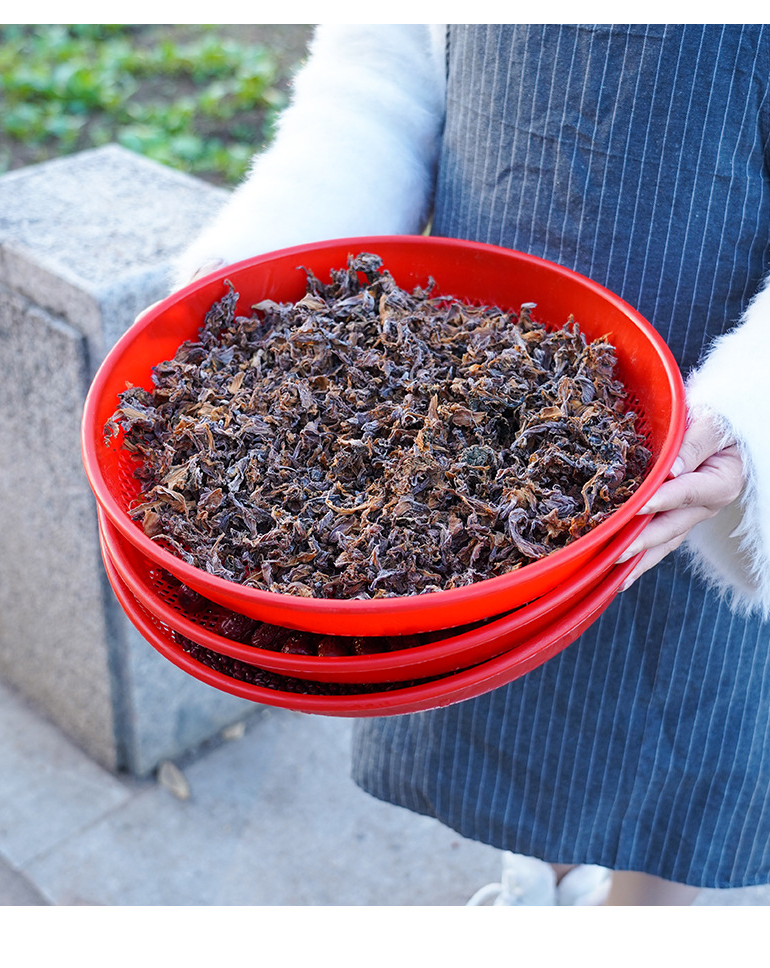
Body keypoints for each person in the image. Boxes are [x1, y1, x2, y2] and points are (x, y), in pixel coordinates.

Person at [172, 25, 770, 905]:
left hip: (704, 411)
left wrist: (749, 413)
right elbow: (382, 72)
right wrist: (249, 269)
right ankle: (545, 884)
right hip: (464, 353)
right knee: (501, 679)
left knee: (677, 721)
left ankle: (644, 914)